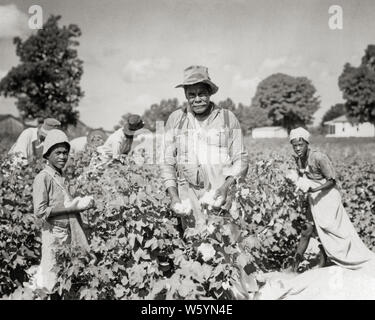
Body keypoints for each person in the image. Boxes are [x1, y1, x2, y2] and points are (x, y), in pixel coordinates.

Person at [161, 65, 249, 231]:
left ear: (209, 93)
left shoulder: (227, 118)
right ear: (186, 95)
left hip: (220, 196)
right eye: (191, 95)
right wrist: (173, 197)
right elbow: (167, 163)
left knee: (225, 246)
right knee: (196, 248)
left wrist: (227, 189)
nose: (197, 99)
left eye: (201, 93)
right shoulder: (176, 120)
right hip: (189, 200)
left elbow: (241, 159)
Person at [289, 127, 375, 273]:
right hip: (313, 197)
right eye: (294, 145)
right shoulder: (298, 159)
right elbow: (303, 177)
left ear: (307, 144)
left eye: (300, 145)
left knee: (328, 230)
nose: (297, 148)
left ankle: (326, 262)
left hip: (327, 197)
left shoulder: (318, 157)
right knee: (307, 230)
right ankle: (294, 267)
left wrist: (313, 190)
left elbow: (332, 181)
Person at [32, 129, 92, 293]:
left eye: (65, 153)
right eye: (57, 153)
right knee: (51, 277)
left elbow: (63, 202)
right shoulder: (42, 178)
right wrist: (70, 208)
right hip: (53, 233)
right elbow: (40, 211)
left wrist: (77, 204)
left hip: (66, 232)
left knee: (64, 274)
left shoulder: (60, 176)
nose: (62, 157)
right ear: (47, 154)